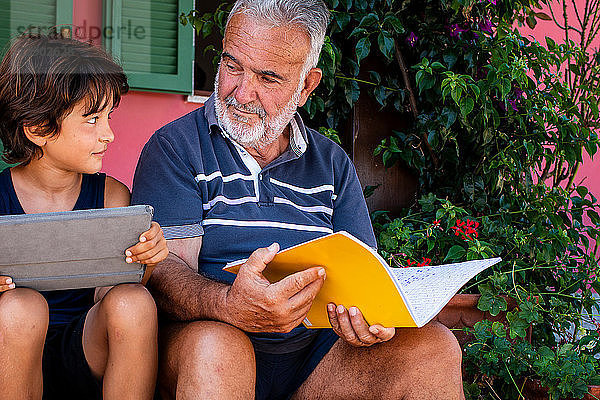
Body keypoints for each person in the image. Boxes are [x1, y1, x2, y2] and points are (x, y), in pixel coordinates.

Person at [131, 0, 464, 399]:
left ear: (306, 86)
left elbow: (364, 277)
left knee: (435, 347)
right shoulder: (176, 147)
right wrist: (229, 305)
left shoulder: (331, 163)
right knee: (218, 349)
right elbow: (164, 272)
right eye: (232, 65)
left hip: (315, 366)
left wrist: (370, 318)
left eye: (268, 78)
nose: (240, 92)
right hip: (209, 345)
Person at [0, 34, 168, 400]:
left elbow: (116, 289)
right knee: (20, 307)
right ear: (38, 129)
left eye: (109, 117)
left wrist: (146, 260)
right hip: (7, 351)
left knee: (134, 301)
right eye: (92, 120)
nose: (109, 134)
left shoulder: (111, 195)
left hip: (84, 350)